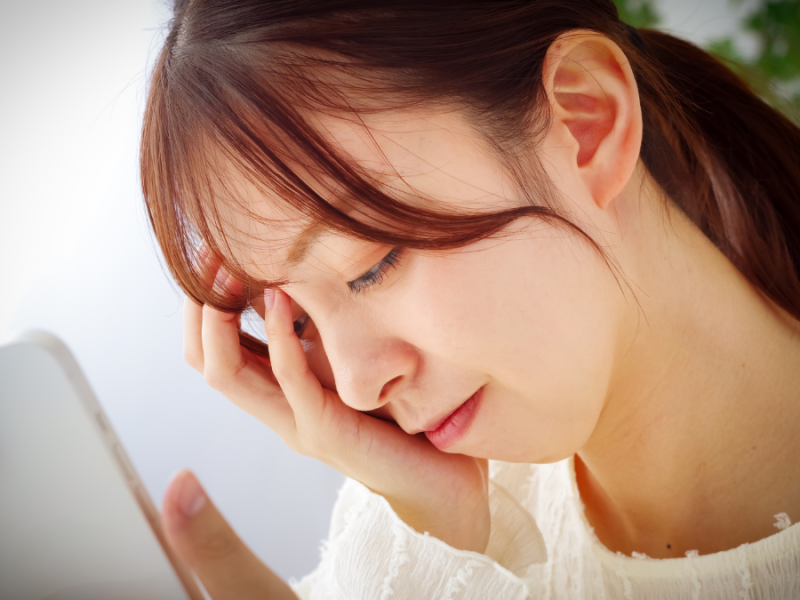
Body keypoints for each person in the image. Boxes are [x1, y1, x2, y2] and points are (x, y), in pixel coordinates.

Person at [140, 1, 800, 598]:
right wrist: (440, 539)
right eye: (300, 323)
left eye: (374, 263)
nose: (360, 387)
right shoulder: (419, 543)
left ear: (584, 119)